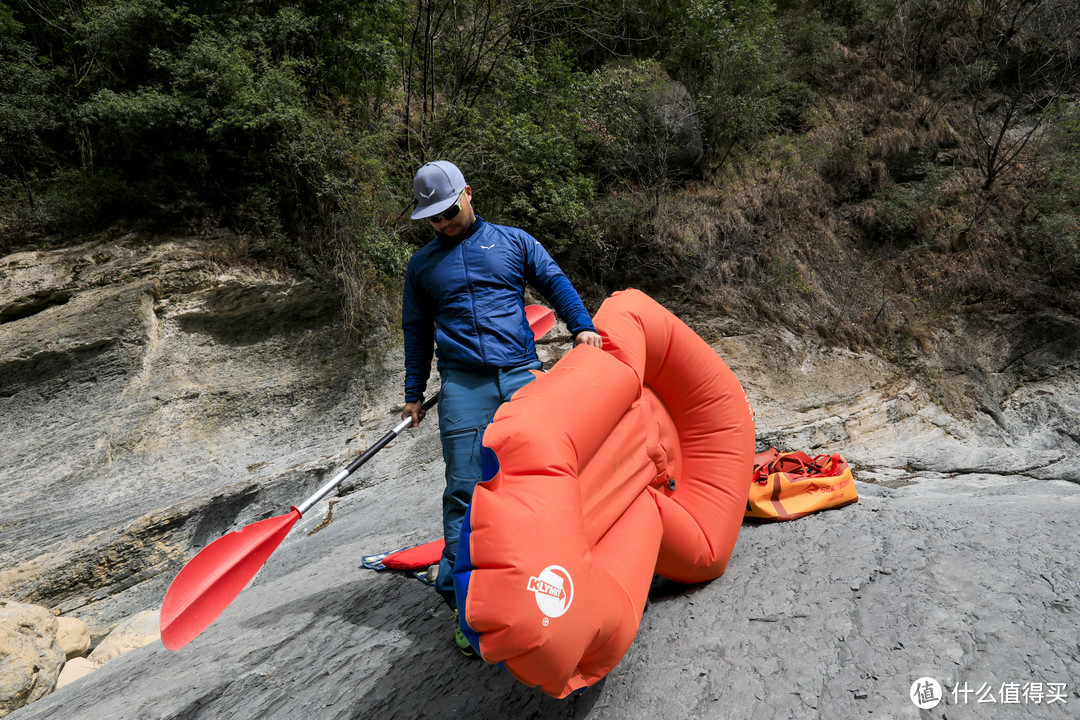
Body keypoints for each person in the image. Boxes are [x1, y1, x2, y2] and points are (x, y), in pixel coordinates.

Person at [400, 160, 602, 655]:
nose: (443, 223)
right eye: (434, 219)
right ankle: (465, 606)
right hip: (463, 388)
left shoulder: (513, 241)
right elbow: (416, 331)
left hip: (521, 374)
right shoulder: (422, 266)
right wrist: (412, 391)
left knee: (550, 475)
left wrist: (582, 326)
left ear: (468, 193)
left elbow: (554, 282)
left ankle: (576, 576)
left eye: (449, 211)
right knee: (466, 493)